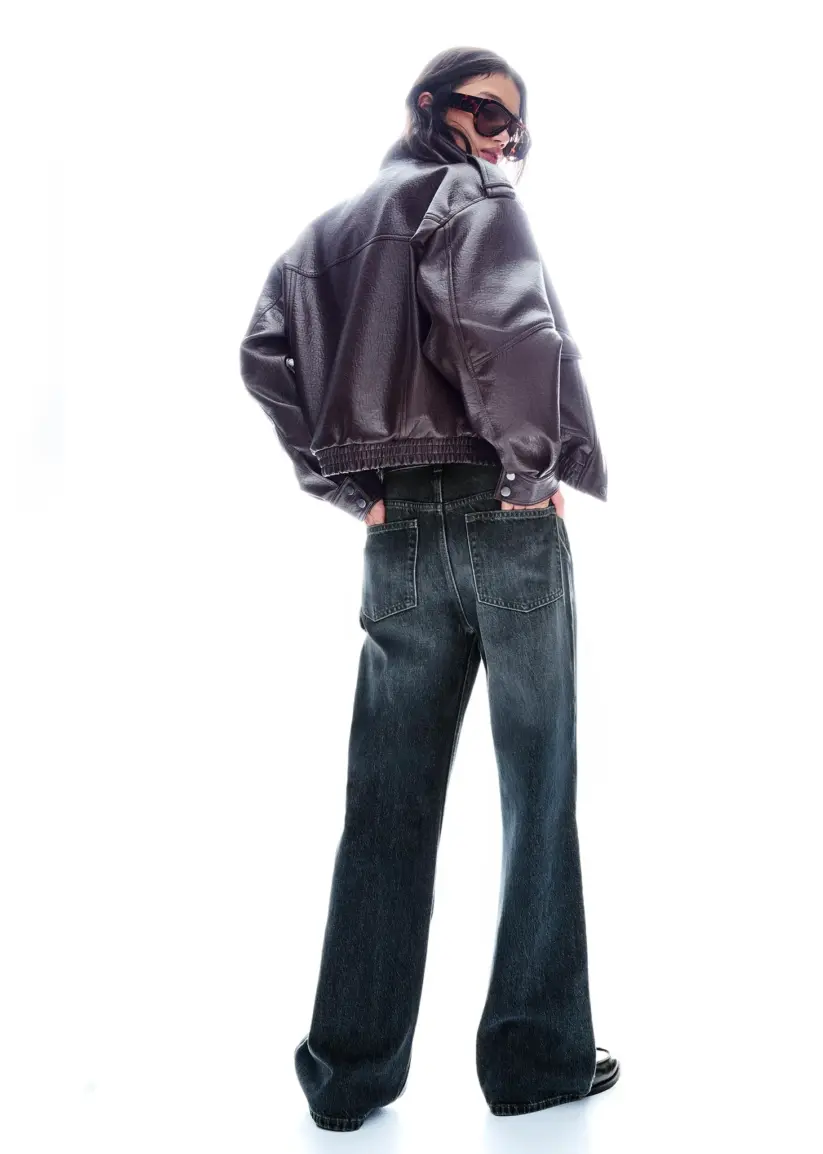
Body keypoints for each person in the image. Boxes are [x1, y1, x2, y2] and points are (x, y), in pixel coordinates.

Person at [238, 46, 618, 1132]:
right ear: (429, 108)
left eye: (516, 126)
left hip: (399, 529)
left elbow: (264, 351)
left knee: (386, 802)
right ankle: (537, 1061)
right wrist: (532, 472)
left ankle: (347, 1076)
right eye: (488, 113)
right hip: (506, 518)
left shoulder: (329, 235)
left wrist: (345, 486)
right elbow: (507, 333)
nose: (505, 138)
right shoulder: (472, 198)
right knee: (537, 790)